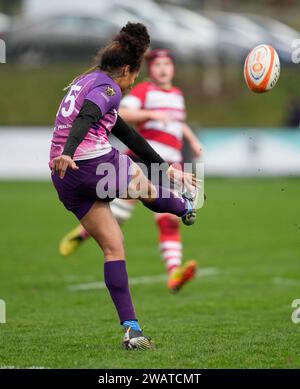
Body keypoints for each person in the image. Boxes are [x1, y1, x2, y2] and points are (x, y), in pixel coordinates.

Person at [50, 23, 198, 350]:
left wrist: (169, 168)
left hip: (65, 177)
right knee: (144, 186)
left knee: (114, 245)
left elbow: (128, 135)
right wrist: (70, 152)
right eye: (134, 77)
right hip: (87, 163)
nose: (134, 83)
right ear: (127, 69)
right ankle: (185, 207)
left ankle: (132, 329)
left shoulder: (86, 79)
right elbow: (87, 117)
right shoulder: (109, 88)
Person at [59, 48, 202, 292]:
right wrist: (150, 113)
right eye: (158, 65)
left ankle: (174, 272)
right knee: (123, 212)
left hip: (171, 161)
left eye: (167, 64)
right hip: (143, 159)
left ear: (173, 69)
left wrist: (191, 138)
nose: (163, 69)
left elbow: (177, 122)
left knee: (166, 221)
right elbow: (120, 114)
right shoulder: (144, 91)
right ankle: (84, 232)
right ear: (149, 70)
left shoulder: (177, 94)